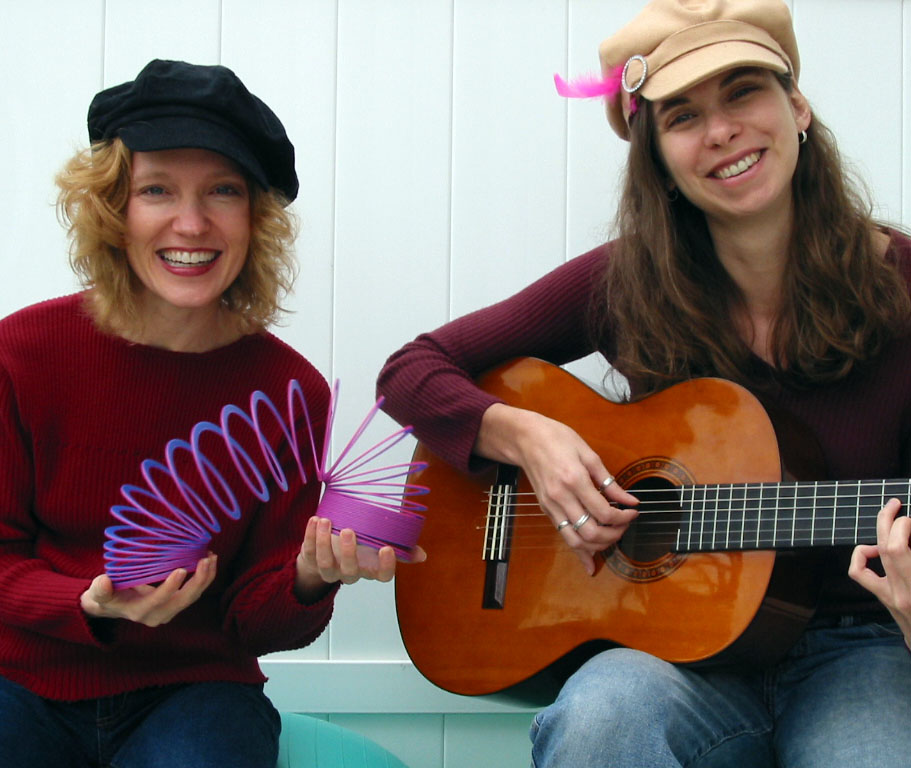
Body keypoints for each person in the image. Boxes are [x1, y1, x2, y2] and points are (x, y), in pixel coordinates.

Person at [377, 1, 911, 765]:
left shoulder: (902, 280)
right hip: (670, 659)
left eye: (742, 92)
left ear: (796, 107)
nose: (720, 130)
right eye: (682, 116)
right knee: (599, 721)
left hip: (859, 649)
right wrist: (529, 439)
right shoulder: (627, 281)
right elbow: (412, 371)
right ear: (656, 157)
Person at [0, 59, 416, 768]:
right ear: (113, 211)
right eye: (156, 189)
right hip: (22, 682)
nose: (191, 224)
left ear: (255, 220)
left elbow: (257, 624)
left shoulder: (288, 391)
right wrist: (87, 602)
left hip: (196, 693)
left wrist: (309, 578)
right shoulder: (20, 354)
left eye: (223, 191)